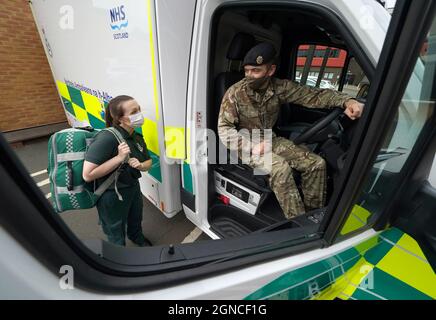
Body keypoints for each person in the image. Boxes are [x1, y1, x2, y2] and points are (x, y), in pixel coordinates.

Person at [218, 42, 364, 219]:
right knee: (281, 168)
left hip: (270, 139)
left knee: (316, 164)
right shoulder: (235, 93)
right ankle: (297, 223)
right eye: (247, 70)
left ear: (270, 70)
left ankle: (312, 216)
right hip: (245, 145)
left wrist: (347, 101)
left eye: (255, 71)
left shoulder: (279, 88)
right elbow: (224, 128)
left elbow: (313, 95)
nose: (249, 75)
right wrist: (251, 146)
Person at [82, 95, 153, 246]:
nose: (139, 114)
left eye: (139, 109)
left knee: (136, 218)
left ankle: (136, 237)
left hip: (133, 187)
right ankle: (119, 255)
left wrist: (141, 166)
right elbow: (87, 175)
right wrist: (119, 158)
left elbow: (148, 162)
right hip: (111, 194)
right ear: (120, 119)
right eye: (134, 111)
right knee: (115, 230)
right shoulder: (107, 138)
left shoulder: (136, 136)